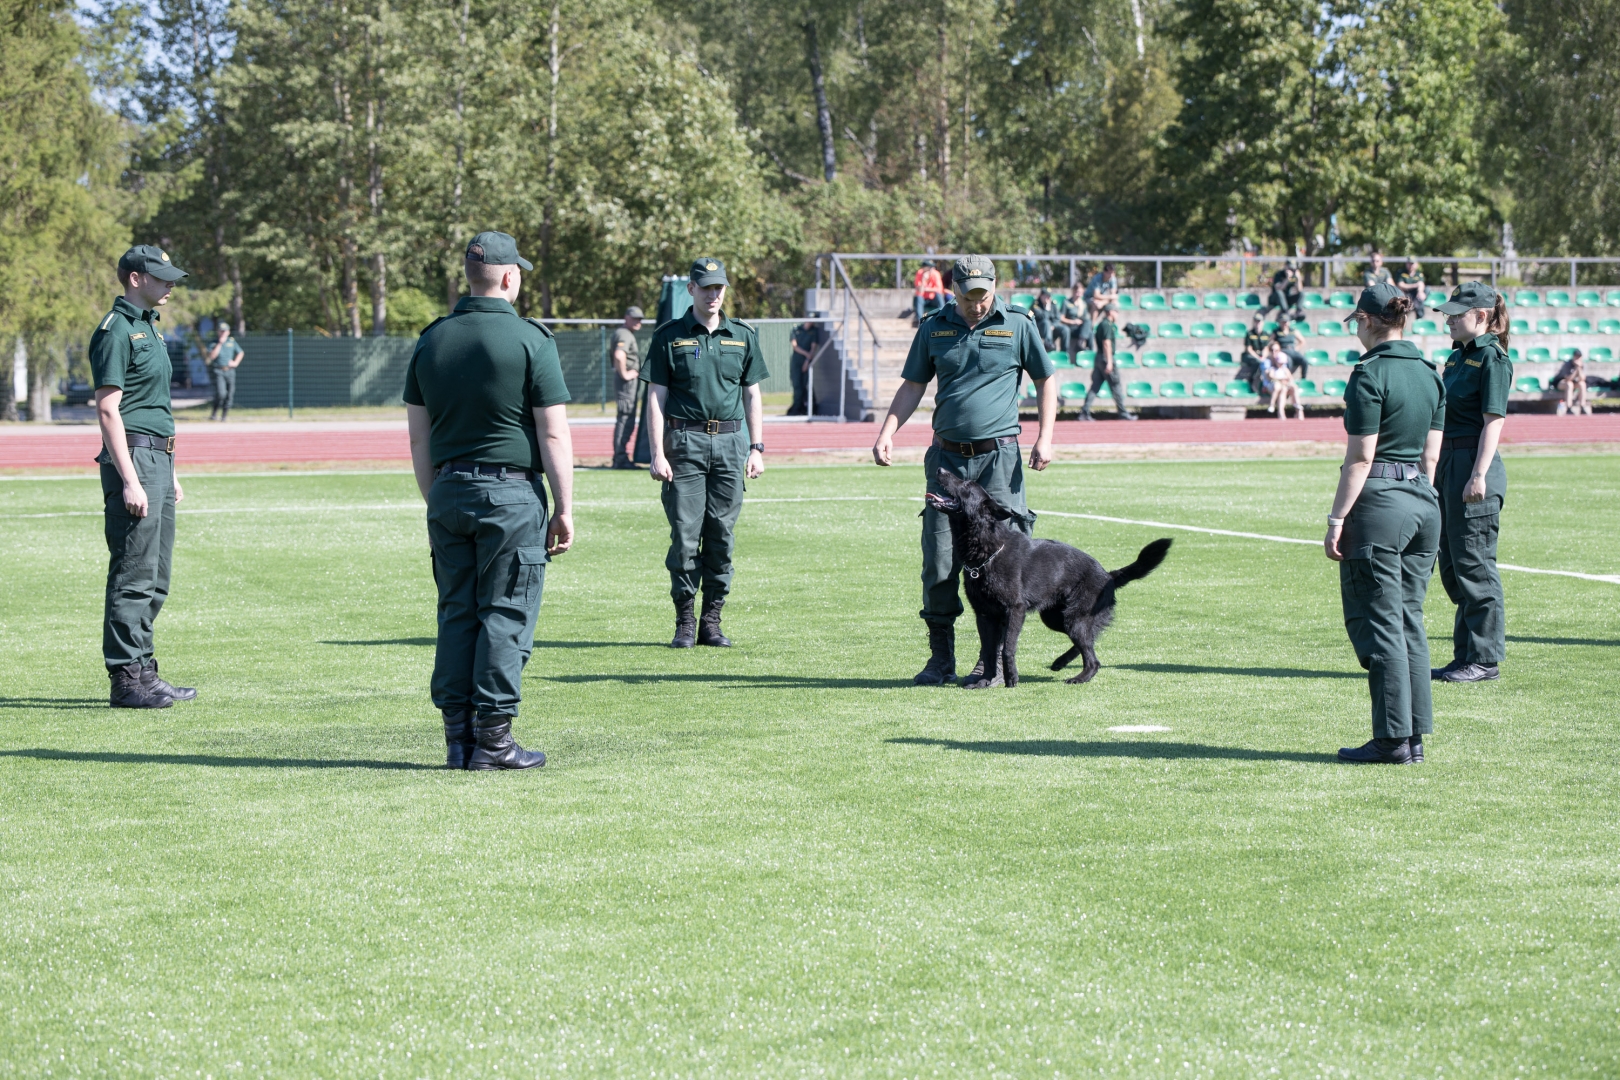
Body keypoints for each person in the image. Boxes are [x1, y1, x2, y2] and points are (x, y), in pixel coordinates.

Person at [403, 231, 574, 771]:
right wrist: (565, 507)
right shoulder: (530, 339)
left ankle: (458, 741)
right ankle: (494, 741)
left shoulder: (431, 340)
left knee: (457, 612)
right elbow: (553, 433)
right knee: (505, 613)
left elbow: (418, 439)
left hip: (448, 490)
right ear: (508, 277)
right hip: (510, 495)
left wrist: (437, 497)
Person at [872, 254, 1057, 685]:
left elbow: (1045, 379)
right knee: (939, 562)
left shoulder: (1018, 324)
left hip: (999, 460)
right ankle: (940, 659)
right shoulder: (933, 327)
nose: (977, 304)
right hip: (948, 461)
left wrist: (1045, 436)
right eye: (968, 296)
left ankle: (992, 661)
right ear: (952, 290)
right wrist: (887, 432)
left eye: (983, 295)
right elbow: (914, 384)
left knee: (1005, 564)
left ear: (994, 287)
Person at [1325, 283, 1445, 765]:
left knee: (1381, 624)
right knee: (1409, 620)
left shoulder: (1369, 373)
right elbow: (1430, 456)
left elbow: (1361, 457)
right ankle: (1412, 737)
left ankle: (1393, 738)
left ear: (1370, 321)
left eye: (1357, 320)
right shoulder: (1430, 373)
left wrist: (1337, 517)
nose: (1356, 329)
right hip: (1423, 502)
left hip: (1380, 504)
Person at [90, 245, 197, 709]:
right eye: (162, 276)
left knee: (156, 575)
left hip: (158, 459)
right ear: (136, 278)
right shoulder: (116, 330)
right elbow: (107, 409)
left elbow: (154, 406)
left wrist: (170, 471)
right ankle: (126, 678)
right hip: (134, 459)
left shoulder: (148, 327)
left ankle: (145, 671)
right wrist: (132, 479)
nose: (170, 284)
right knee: (133, 571)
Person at [644, 257, 768, 649]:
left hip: (730, 445)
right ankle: (684, 621)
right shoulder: (669, 336)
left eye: (719, 287)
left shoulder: (742, 335)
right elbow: (655, 397)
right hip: (684, 444)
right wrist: (657, 453)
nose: (713, 294)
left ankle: (711, 622)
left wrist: (757, 447)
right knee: (684, 536)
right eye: (706, 287)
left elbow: (752, 394)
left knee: (721, 536)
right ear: (691, 289)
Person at [1431, 281, 1511, 683]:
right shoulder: (1456, 358)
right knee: (1453, 565)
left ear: (1480, 316)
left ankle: (1484, 659)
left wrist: (1478, 474)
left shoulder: (1492, 358)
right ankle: (1464, 656)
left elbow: (1493, 422)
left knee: (1475, 565)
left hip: (1472, 462)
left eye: (1456, 314)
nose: (1448, 320)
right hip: (1449, 462)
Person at [1083, 303, 1137, 421]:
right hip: (1105, 358)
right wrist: (1109, 362)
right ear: (1111, 312)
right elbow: (1106, 343)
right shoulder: (1107, 325)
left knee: (1095, 386)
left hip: (1099, 357)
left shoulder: (1102, 324)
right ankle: (1122, 412)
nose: (1117, 314)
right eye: (1116, 311)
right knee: (1116, 385)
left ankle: (1084, 412)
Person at [608, 306, 644, 469]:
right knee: (625, 418)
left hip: (627, 383)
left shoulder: (625, 333)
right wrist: (625, 374)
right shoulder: (624, 334)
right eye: (635, 318)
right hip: (626, 383)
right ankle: (620, 458)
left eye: (640, 319)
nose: (638, 322)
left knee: (626, 417)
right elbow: (619, 354)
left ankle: (620, 457)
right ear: (626, 318)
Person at [206, 324, 244, 421]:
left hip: (230, 371)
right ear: (218, 332)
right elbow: (212, 356)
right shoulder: (213, 343)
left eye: (225, 331)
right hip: (218, 370)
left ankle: (224, 416)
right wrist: (220, 343)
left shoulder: (232, 341)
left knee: (230, 394)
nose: (223, 333)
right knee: (221, 393)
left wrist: (235, 363)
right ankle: (214, 413)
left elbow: (240, 352)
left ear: (228, 332)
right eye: (221, 331)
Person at [1263, 343, 1302, 419]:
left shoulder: (1282, 361)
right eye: (1272, 350)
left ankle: (1299, 410)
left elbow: (1289, 376)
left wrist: (1287, 381)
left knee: (1293, 387)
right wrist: (1280, 379)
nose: (1274, 352)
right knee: (1279, 388)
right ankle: (1278, 410)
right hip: (1271, 385)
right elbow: (1269, 376)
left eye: (1276, 350)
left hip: (1283, 385)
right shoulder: (1268, 363)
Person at [788, 319, 819, 416]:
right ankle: (797, 408)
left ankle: (810, 408)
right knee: (797, 385)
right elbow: (795, 346)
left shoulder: (814, 331)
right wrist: (806, 354)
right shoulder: (796, 329)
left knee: (807, 385)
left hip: (807, 362)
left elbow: (813, 348)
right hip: (796, 361)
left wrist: (807, 361)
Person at [1265, 258, 1303, 323]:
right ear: (1285, 266)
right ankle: (1285, 312)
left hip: (1286, 298)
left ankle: (1298, 312)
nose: (1291, 270)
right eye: (1289, 268)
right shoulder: (1279, 274)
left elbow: (1299, 290)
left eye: (1293, 269)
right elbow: (1278, 289)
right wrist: (1287, 279)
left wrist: (1298, 279)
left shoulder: (1294, 276)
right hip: (1275, 298)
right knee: (1280, 293)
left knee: (1302, 294)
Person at [1057, 284, 1088, 360]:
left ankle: (1087, 351)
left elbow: (1085, 318)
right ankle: (1065, 354)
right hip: (1070, 327)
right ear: (1073, 292)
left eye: (1080, 293)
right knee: (1066, 330)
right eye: (1077, 292)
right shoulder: (1066, 302)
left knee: (1089, 328)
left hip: (1079, 329)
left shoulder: (1083, 304)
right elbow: (1061, 318)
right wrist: (1073, 322)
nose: (1078, 295)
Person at [1555, 349, 1591, 416]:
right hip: (1562, 383)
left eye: (1579, 357)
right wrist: (1576, 369)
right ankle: (1569, 407)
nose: (1577, 358)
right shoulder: (1567, 364)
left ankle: (1582, 406)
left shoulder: (1582, 365)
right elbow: (1568, 379)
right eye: (1576, 356)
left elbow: (1582, 378)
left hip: (1574, 383)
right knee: (1569, 384)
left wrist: (1579, 368)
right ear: (1573, 356)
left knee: (1582, 384)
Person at [1239, 312, 1268, 393]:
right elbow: (1249, 349)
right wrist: (1258, 357)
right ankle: (1252, 380)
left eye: (1259, 321)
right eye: (1256, 321)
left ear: (1262, 322)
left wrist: (1264, 357)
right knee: (1257, 362)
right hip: (1250, 355)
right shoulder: (1249, 333)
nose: (1257, 323)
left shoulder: (1265, 334)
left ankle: (1266, 384)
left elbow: (1266, 348)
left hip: (1260, 355)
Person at [913, 260, 944, 324]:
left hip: (933, 299)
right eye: (930, 267)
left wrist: (926, 289)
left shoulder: (936, 273)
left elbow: (939, 289)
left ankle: (943, 319)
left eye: (932, 267)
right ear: (924, 267)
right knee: (918, 297)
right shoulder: (920, 273)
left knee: (938, 295)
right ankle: (920, 322)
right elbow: (920, 290)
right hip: (923, 300)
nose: (932, 269)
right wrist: (923, 279)